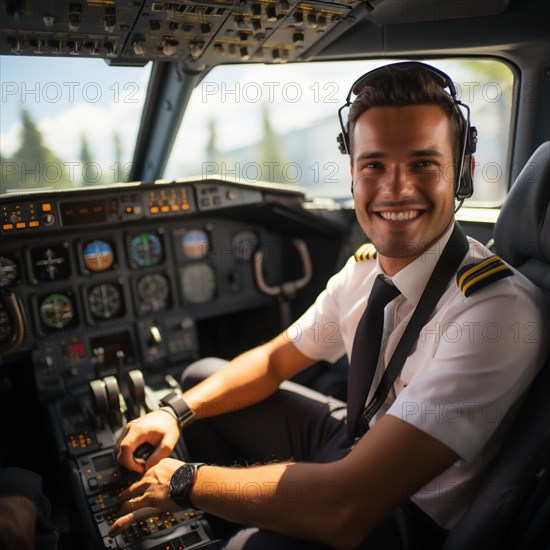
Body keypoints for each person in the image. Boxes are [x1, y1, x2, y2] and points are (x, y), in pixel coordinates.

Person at [109, 62, 547, 549]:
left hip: (401, 511)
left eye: (424, 163)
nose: (395, 189)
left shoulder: (496, 314)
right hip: (357, 438)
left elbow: (346, 503)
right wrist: (173, 413)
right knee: (199, 383)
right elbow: (276, 359)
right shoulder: (364, 271)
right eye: (374, 165)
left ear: (461, 172)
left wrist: (188, 482)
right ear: (353, 176)